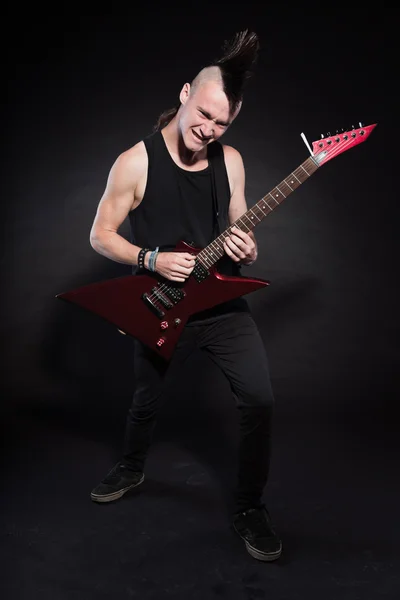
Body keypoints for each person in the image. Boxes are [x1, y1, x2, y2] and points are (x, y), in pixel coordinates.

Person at [88, 29, 282, 562]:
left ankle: (249, 507)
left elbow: (241, 229)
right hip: (163, 306)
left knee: (260, 400)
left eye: (222, 122)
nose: (208, 128)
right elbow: (99, 235)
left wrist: (247, 245)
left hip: (220, 306)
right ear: (183, 94)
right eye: (203, 113)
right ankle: (131, 467)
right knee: (146, 400)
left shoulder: (231, 160)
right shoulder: (135, 162)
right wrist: (150, 259)